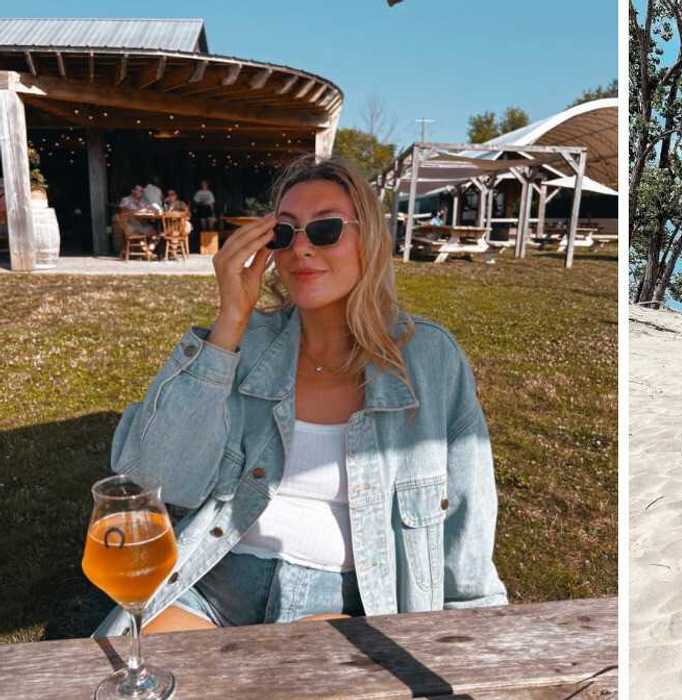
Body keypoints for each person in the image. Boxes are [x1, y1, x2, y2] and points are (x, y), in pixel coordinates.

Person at [92, 156, 507, 638]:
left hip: (337, 601)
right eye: (285, 233)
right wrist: (229, 322)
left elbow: (466, 509)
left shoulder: (430, 361)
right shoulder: (241, 345)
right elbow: (153, 479)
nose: (302, 248)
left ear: (369, 241)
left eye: (326, 229)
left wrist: (476, 629)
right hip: (210, 583)